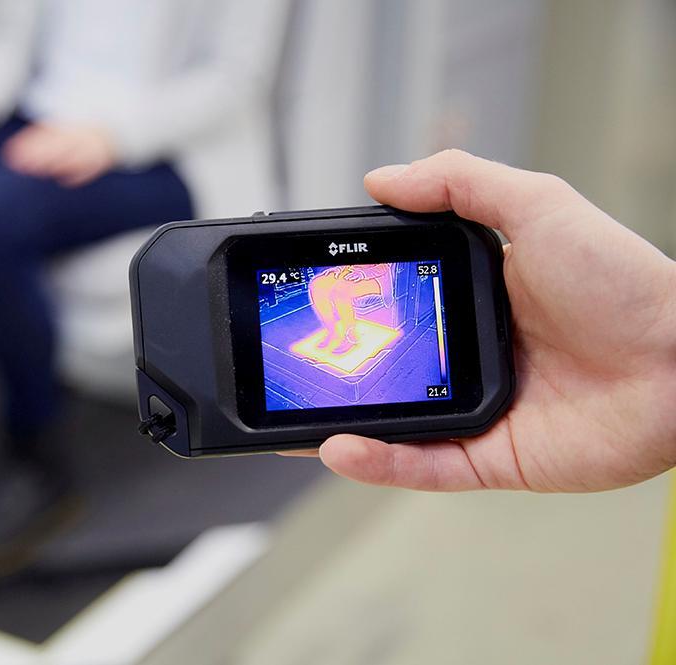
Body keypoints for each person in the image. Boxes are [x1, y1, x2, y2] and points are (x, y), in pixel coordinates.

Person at [0, 0, 291, 564]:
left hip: (168, 149)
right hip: (37, 116)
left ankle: (35, 458)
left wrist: (113, 136)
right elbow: (15, 34)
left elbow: (236, 79)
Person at [288, 149, 676, 493]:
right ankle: (338, 331)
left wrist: (661, 324)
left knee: (340, 290)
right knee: (323, 283)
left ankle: (345, 332)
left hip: (386, 274)